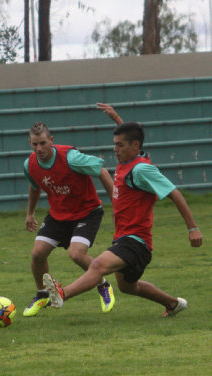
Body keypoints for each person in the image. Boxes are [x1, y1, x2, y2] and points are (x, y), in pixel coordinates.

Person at [43, 122, 203, 317]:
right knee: (128, 287)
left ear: (135, 146)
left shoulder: (141, 170)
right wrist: (117, 119)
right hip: (123, 238)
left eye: (120, 145)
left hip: (136, 242)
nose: (115, 149)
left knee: (97, 266)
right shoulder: (127, 162)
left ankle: (63, 294)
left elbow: (174, 193)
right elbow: (133, 134)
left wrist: (192, 228)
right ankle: (172, 304)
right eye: (115, 144)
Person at [22, 103, 123, 317]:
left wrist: (117, 205)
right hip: (59, 215)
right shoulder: (30, 164)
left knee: (76, 254)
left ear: (51, 140)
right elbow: (34, 186)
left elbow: (102, 171)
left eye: (42, 143)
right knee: (37, 253)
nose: (39, 149)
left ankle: (103, 284)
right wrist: (30, 213)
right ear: (29, 143)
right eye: (34, 144)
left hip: (87, 212)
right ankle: (43, 294)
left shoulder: (71, 158)